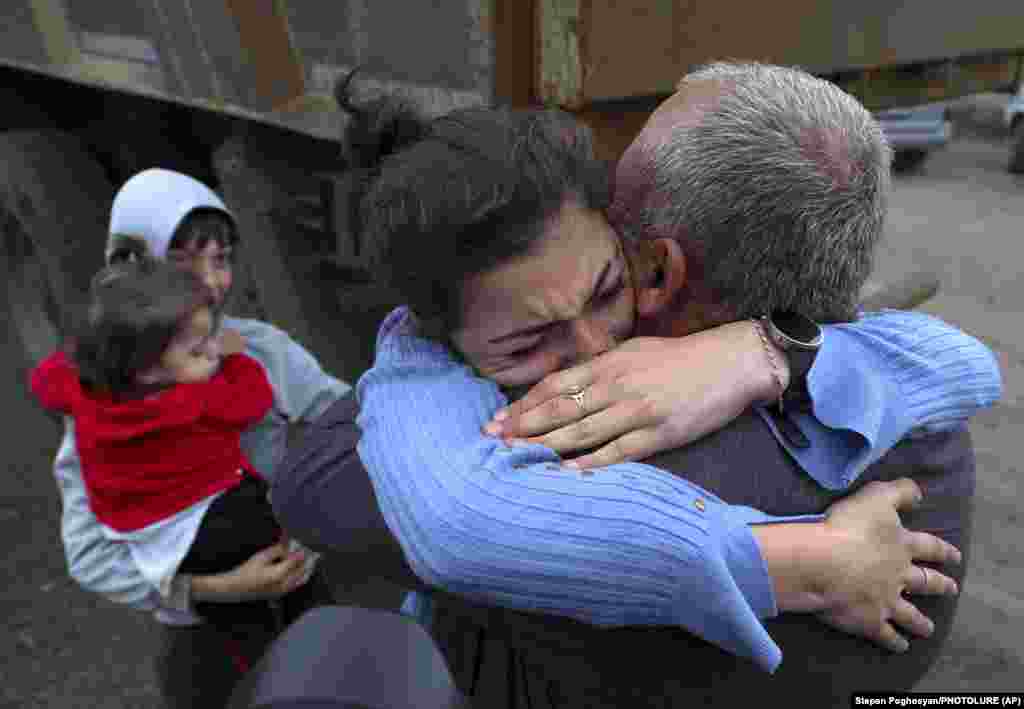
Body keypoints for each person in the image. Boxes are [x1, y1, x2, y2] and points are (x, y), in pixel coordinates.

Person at [271, 64, 1000, 705]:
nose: (589, 354)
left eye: (609, 283)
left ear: (659, 269)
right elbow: (963, 361)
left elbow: (317, 485)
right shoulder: (921, 419)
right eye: (528, 340)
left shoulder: (578, 454)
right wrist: (772, 350)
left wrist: (423, 351)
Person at [49, 169, 351, 709]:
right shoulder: (102, 398)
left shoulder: (262, 350)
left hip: (310, 609)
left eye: (222, 258)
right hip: (209, 640)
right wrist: (217, 588)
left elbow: (352, 422)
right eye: (185, 259)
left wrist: (313, 528)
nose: (212, 282)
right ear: (131, 268)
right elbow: (90, 556)